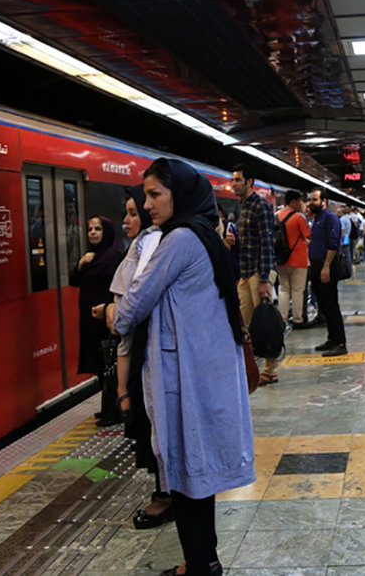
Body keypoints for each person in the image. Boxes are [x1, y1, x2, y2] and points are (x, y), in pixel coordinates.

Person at [114, 158, 254, 576]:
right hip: (201, 370)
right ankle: (203, 560)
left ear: (180, 194)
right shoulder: (204, 233)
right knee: (196, 474)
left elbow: (129, 310)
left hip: (184, 377)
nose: (147, 203)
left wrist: (110, 311)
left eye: (155, 194)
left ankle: (200, 566)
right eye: (146, 195)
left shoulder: (177, 241)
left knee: (185, 473)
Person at [95, 185, 172, 529]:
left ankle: (167, 496)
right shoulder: (140, 249)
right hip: (141, 355)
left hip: (149, 356)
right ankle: (166, 492)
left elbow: (124, 320)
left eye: (134, 212)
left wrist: (113, 310)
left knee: (157, 429)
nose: (128, 218)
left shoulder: (156, 248)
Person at [74, 215, 123, 426]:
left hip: (106, 320)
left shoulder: (113, 257)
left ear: (107, 232)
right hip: (90, 320)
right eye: (90, 229)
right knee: (101, 365)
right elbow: (75, 281)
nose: (93, 232)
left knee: (110, 364)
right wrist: (80, 264)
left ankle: (116, 410)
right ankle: (107, 408)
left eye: (98, 229)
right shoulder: (90, 257)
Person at [268, 189, 310, 386]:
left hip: (281, 260)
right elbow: (307, 236)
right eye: (300, 200)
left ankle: (282, 318)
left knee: (284, 289)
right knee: (298, 290)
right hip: (299, 259)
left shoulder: (277, 215)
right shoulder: (298, 217)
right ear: (294, 201)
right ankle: (299, 318)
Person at [228, 164, 275, 329]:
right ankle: (252, 355)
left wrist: (264, 279)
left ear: (249, 182)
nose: (234, 184)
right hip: (245, 273)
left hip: (258, 272)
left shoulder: (260, 206)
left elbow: (267, 243)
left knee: (263, 322)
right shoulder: (244, 207)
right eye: (232, 180)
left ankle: (271, 355)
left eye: (238, 180)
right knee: (245, 323)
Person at [307, 189, 346, 356]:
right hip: (316, 266)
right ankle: (331, 339)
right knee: (323, 305)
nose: (311, 203)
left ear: (324, 201)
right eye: (310, 199)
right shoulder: (317, 219)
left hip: (326, 267)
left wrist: (326, 266)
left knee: (331, 305)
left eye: (314, 199)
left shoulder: (330, 218)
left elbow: (333, 243)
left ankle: (340, 343)